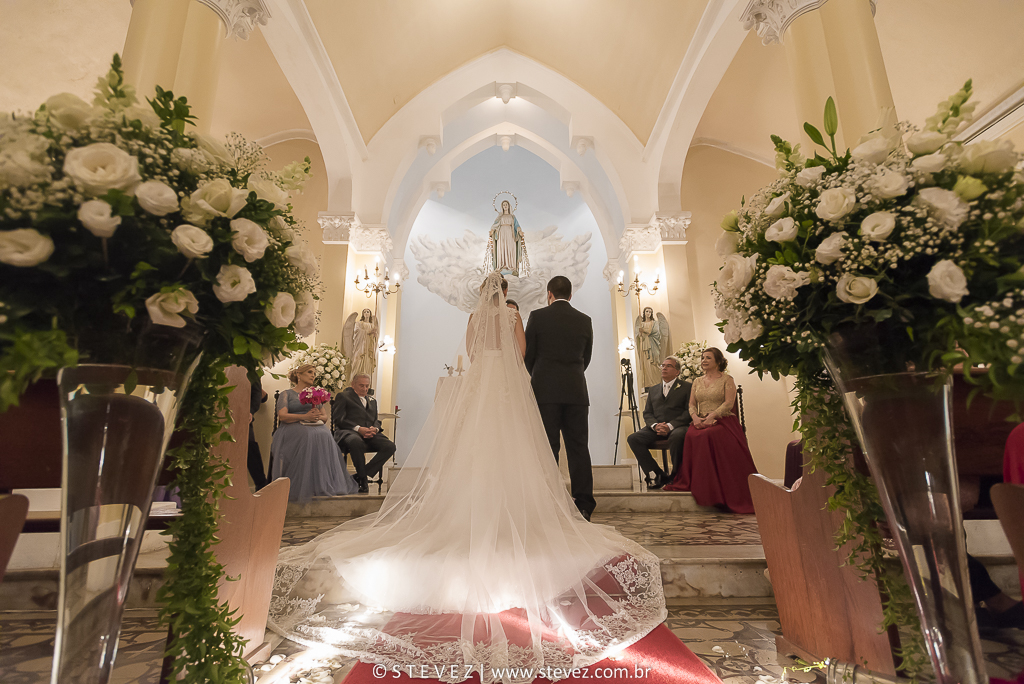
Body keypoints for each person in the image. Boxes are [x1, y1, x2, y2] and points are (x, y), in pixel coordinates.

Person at [268, 273, 666, 680]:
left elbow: (475, 355)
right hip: (519, 387)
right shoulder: (519, 316)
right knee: (527, 449)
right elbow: (524, 354)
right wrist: (511, 367)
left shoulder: (476, 316)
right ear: (507, 294)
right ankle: (555, 506)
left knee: (477, 448)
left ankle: (468, 510)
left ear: (482, 293)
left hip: (483, 385)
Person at [524, 275, 596, 520]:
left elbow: (529, 356)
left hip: (545, 392)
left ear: (549, 294)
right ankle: (584, 504)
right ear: (571, 295)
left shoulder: (538, 317)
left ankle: (549, 501)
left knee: (548, 447)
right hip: (576, 391)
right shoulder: (584, 320)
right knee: (578, 448)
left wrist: (541, 375)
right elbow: (586, 358)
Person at [664, 348, 758, 514]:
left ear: (718, 361)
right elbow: (692, 404)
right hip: (700, 420)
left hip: (723, 420)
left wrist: (712, 416)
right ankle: (703, 484)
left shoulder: (727, 380)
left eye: (708, 358)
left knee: (709, 434)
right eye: (702, 358)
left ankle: (719, 488)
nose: (704, 361)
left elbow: (729, 403)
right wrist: (695, 418)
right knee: (692, 434)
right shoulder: (697, 381)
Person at [271, 364, 358, 502]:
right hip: (291, 426)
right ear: (299, 375)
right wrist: (304, 417)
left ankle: (321, 483)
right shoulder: (286, 394)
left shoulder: (316, 394)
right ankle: (300, 484)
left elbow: (324, 418)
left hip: (313, 425)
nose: (313, 375)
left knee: (325, 434)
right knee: (308, 435)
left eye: (314, 373)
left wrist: (317, 416)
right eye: (310, 372)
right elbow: (283, 416)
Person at [627, 356, 692, 490]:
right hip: (656, 428)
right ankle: (657, 474)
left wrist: (670, 426)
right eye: (663, 365)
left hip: (677, 427)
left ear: (677, 371)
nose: (664, 368)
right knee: (633, 438)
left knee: (677, 437)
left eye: (668, 366)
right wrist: (655, 425)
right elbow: (647, 413)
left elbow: (688, 411)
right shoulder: (653, 389)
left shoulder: (687, 387)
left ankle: (676, 475)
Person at [332, 373, 397, 493]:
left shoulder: (372, 401)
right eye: (361, 385)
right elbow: (338, 419)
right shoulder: (343, 396)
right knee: (356, 441)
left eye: (367, 386)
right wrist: (358, 429)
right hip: (348, 432)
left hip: (369, 434)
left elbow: (375, 420)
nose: (365, 389)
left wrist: (375, 429)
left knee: (390, 446)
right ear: (353, 384)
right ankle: (363, 480)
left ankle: (359, 475)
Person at [247, 375, 269, 490]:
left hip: (244, 416)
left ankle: (261, 485)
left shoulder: (252, 370)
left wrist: (250, 411)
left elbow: (256, 394)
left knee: (250, 448)